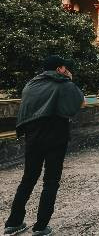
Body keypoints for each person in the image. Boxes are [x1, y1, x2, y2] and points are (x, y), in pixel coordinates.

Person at [4, 55, 84, 236]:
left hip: (33, 137)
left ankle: (13, 222)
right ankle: (40, 227)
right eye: (65, 68)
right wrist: (70, 81)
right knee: (51, 181)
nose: (67, 71)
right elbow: (77, 103)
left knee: (28, 178)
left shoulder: (31, 84)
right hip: (56, 136)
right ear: (59, 69)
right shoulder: (64, 84)